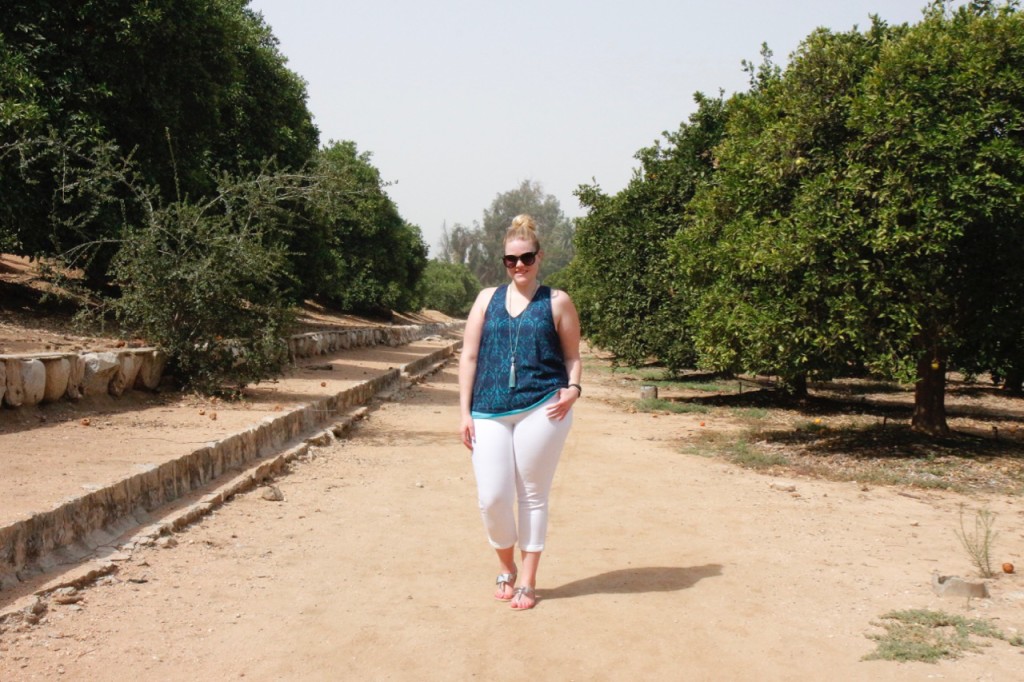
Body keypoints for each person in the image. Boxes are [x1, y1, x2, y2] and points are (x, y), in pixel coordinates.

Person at [459, 213, 582, 611]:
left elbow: (573, 357)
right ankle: (506, 565)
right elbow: (470, 356)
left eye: (526, 258)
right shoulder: (486, 299)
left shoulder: (557, 300)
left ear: (539, 256)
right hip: (488, 409)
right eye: (510, 260)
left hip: (542, 406)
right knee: (492, 497)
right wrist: (464, 412)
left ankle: (528, 581)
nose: (519, 267)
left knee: (532, 494)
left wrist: (574, 390)